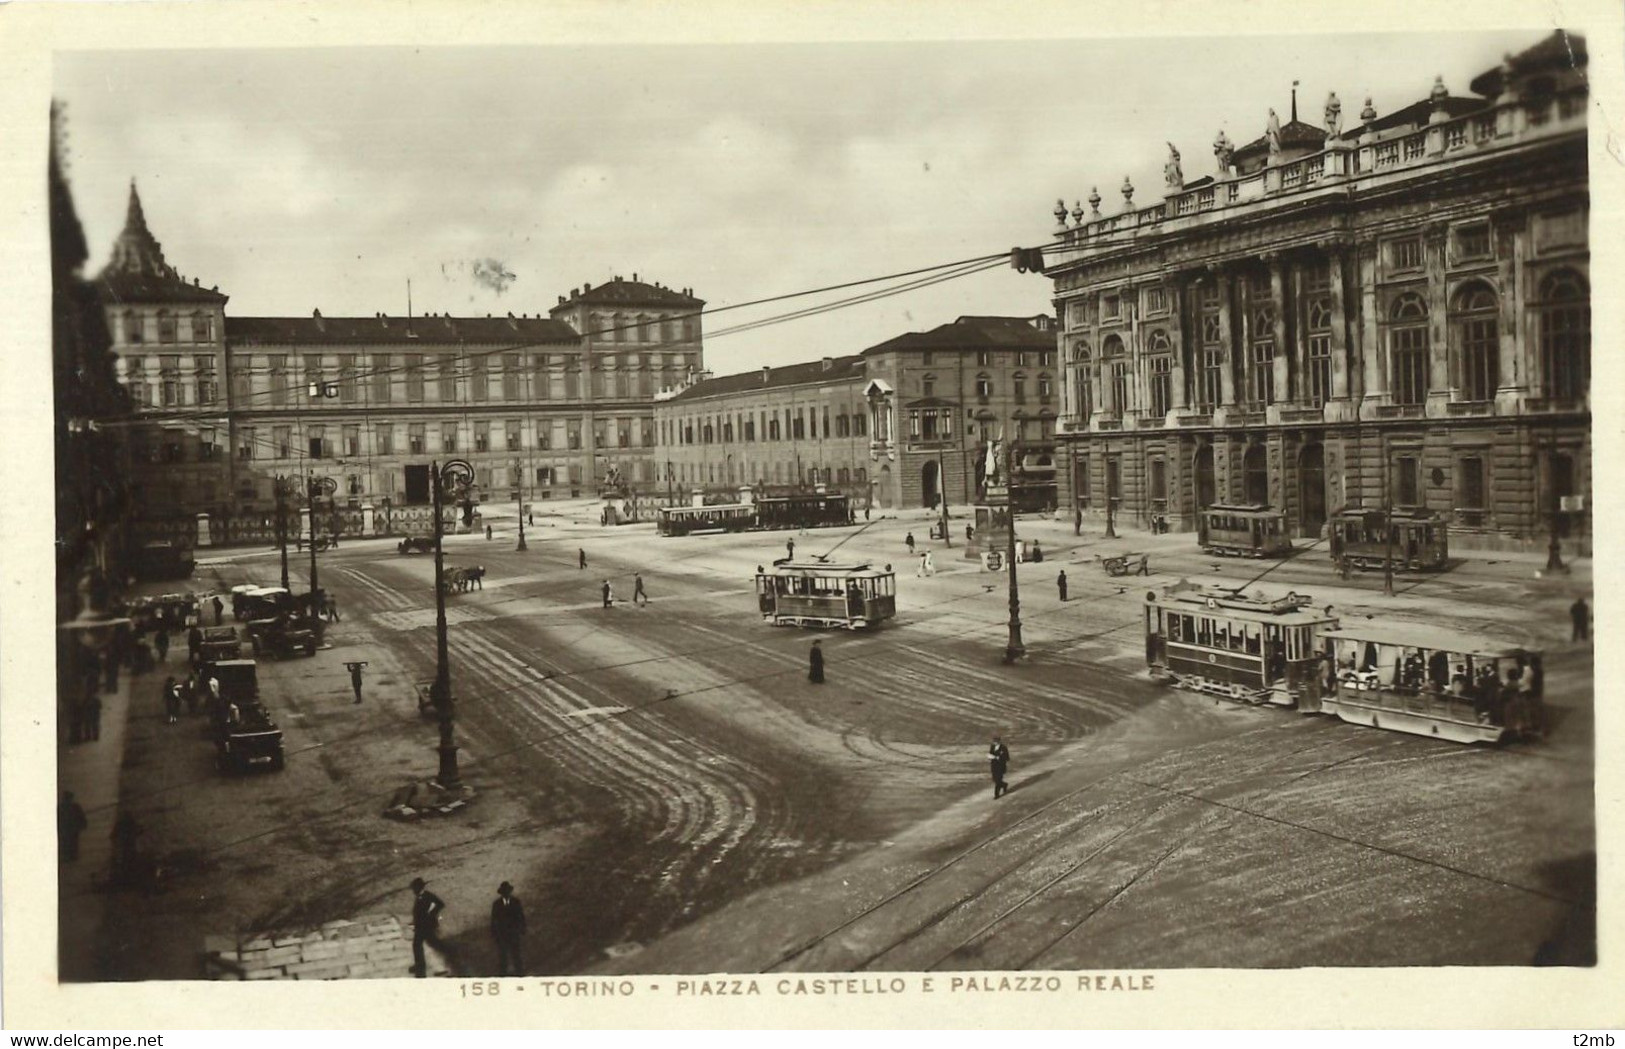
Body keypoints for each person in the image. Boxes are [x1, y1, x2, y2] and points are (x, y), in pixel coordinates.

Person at [409, 877, 452, 978]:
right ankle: (420, 965)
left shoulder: (427, 895)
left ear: (419, 888)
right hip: (421, 925)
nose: (413, 891)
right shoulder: (419, 896)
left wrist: (431, 913)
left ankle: (449, 956)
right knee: (417, 945)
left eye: (415, 888)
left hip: (427, 925)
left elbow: (440, 904)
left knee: (433, 943)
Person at [490, 881, 527, 977]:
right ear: (502, 893)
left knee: (516, 954)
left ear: (509, 892)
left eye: (507, 892)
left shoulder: (516, 902)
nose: (506, 894)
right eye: (504, 892)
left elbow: (520, 916)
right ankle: (503, 974)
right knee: (503, 955)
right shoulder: (497, 904)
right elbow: (494, 919)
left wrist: (522, 929)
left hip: (514, 933)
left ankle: (519, 973)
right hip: (502, 934)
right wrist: (494, 933)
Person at [110, 812, 140, 888]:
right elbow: (137, 831)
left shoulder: (120, 823)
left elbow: (114, 834)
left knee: (124, 859)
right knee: (129, 859)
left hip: (124, 844)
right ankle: (129, 876)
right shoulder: (131, 823)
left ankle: (125, 876)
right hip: (129, 844)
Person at [59, 791, 88, 862]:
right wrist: (83, 825)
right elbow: (82, 817)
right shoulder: (75, 807)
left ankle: (67, 856)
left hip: (66, 828)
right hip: (73, 828)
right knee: (73, 843)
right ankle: (72, 856)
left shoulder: (61, 807)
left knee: (66, 842)